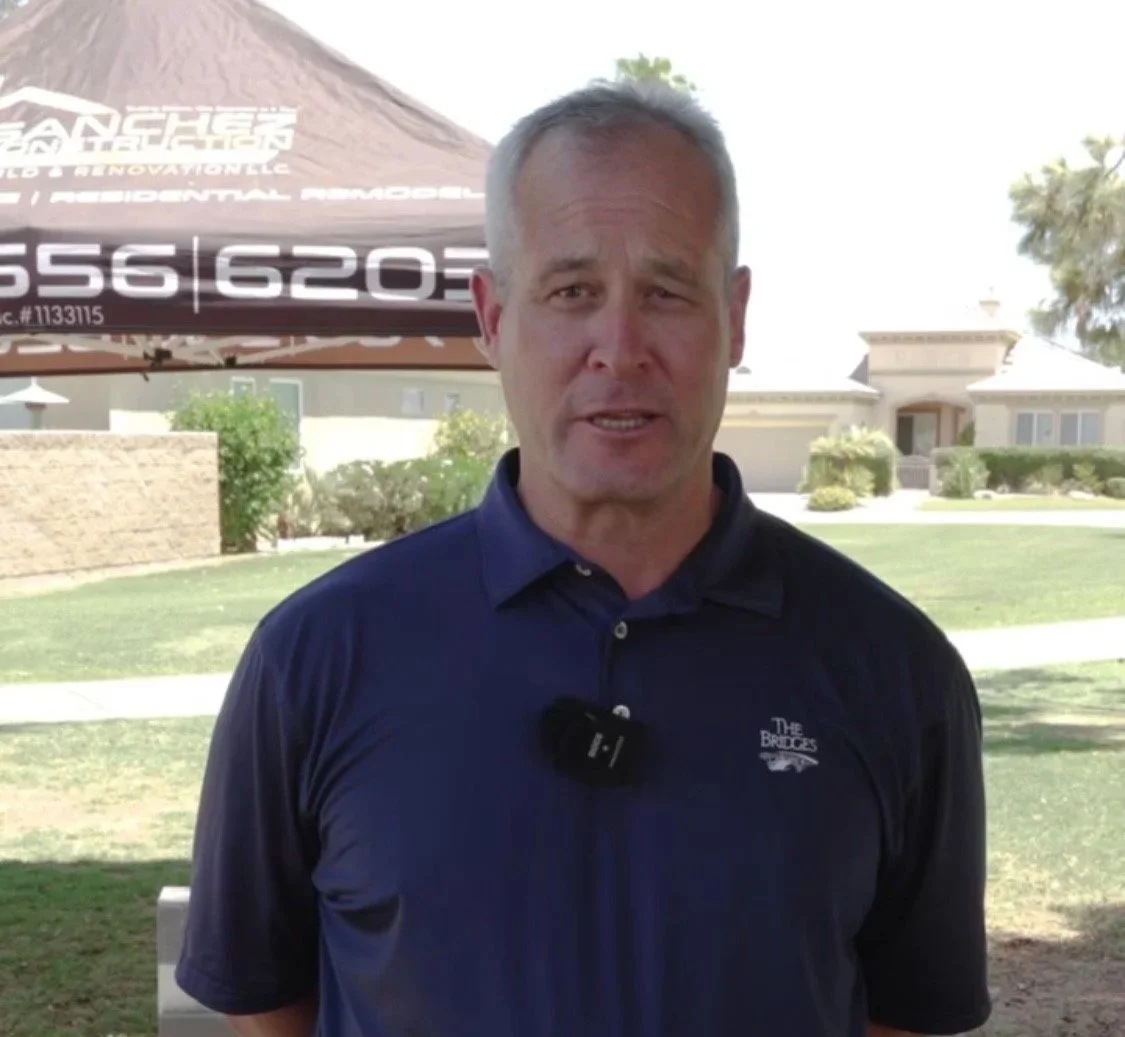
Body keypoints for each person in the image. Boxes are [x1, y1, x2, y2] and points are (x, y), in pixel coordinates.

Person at [175, 80, 992, 1037]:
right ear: (491, 317)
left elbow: (906, 1015)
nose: (619, 346)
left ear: (734, 318)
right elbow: (265, 1003)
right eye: (571, 292)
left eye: (666, 291)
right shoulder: (317, 657)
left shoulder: (893, 670)